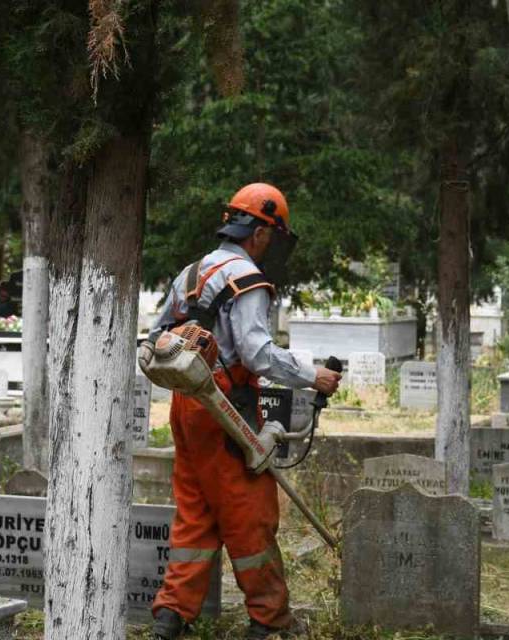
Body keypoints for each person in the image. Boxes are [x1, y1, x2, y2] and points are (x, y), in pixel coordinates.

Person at [149, 183, 341, 640]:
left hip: (186, 406)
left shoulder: (193, 272)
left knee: (195, 512)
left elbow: (157, 335)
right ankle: (269, 621)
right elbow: (256, 354)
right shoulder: (249, 280)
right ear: (261, 232)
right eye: (273, 235)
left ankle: (170, 616)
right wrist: (312, 375)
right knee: (250, 514)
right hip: (225, 410)